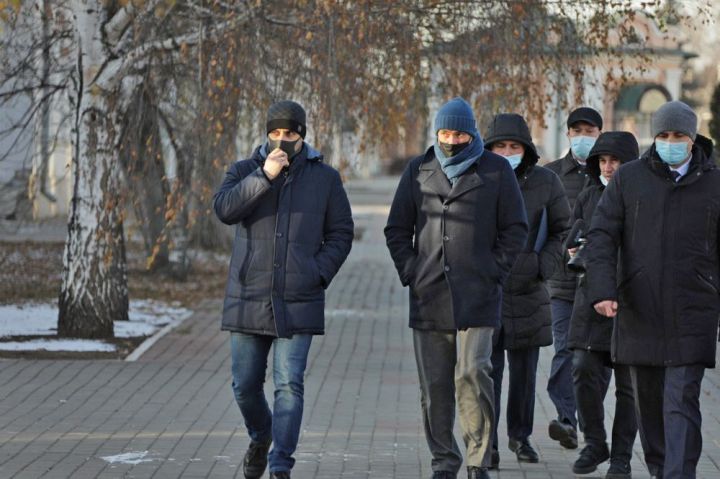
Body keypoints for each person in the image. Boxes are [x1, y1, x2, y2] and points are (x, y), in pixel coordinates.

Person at [385, 97, 528, 479]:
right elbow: (397, 229)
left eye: (459, 134)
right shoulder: (418, 169)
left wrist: (494, 271)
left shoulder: (496, 170)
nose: (451, 140)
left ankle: (478, 459)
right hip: (429, 296)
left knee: (473, 374)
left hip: (478, 296)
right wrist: (412, 272)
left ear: (472, 134)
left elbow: (516, 228)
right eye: (445, 134)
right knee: (434, 387)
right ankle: (444, 461)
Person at [213, 100, 354, 479]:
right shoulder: (243, 170)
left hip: (298, 297)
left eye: (289, 133)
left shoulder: (325, 179)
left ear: (301, 136)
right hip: (249, 296)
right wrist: (264, 176)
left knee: (289, 385)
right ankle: (261, 437)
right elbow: (225, 210)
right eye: (274, 133)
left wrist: (316, 273)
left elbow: (341, 233)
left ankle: (280, 464)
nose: (281, 139)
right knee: (244, 386)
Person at [587, 101, 719, 479]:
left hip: (693, 310)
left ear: (692, 139)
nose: (670, 142)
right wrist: (603, 290)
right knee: (648, 406)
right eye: (663, 135)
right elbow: (602, 236)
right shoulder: (629, 178)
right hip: (639, 308)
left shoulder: (714, 183)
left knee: (681, 402)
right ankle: (661, 469)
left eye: (678, 136)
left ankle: (678, 474)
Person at [484, 113, 570, 469]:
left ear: (526, 149)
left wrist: (541, 265)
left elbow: (562, 229)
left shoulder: (546, 182)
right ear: (489, 149)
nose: (507, 153)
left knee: (524, 374)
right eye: (500, 146)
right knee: (487, 372)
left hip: (529, 292)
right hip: (487, 290)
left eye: (514, 146)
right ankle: (486, 443)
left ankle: (520, 437)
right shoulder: (477, 177)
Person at [566, 132, 639, 478]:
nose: (608, 168)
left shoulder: (643, 195)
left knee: (629, 385)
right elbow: (573, 234)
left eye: (615, 161)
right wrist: (571, 248)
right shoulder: (588, 195)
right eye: (603, 161)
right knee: (581, 367)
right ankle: (595, 442)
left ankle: (621, 458)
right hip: (592, 296)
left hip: (633, 299)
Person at [544, 106, 603, 448]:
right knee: (564, 349)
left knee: (595, 357)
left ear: (599, 134)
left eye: (589, 131)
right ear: (568, 134)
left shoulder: (612, 174)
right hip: (562, 282)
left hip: (601, 284)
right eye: (577, 131)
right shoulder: (551, 176)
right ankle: (566, 418)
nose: (583, 137)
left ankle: (587, 419)